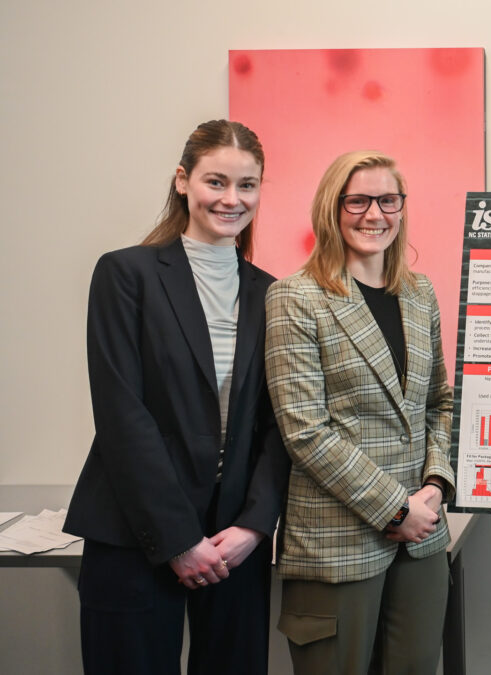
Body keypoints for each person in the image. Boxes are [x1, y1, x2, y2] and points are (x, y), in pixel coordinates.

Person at [64, 119, 291, 675]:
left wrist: (255, 528)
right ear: (183, 181)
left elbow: (277, 424)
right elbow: (123, 416)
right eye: (216, 182)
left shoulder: (273, 293)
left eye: (247, 185)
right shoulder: (126, 274)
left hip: (234, 540)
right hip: (135, 533)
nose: (231, 199)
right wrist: (178, 541)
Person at [265, 150, 456, 675]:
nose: (375, 214)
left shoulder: (419, 295)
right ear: (333, 208)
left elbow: (439, 403)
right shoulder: (295, 298)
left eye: (388, 200)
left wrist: (435, 486)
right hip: (338, 542)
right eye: (358, 200)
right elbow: (306, 431)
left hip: (422, 540)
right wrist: (395, 508)